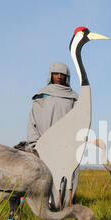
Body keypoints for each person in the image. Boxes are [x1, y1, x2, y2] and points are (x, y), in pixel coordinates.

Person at [27, 62, 79, 209]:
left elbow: (79, 121)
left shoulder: (74, 98)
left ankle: (64, 208)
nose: (60, 76)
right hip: (46, 145)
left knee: (68, 178)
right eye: (57, 73)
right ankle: (47, 208)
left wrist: (78, 143)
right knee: (47, 177)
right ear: (51, 75)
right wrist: (34, 143)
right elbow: (33, 120)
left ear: (67, 77)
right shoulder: (42, 96)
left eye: (63, 74)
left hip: (67, 145)